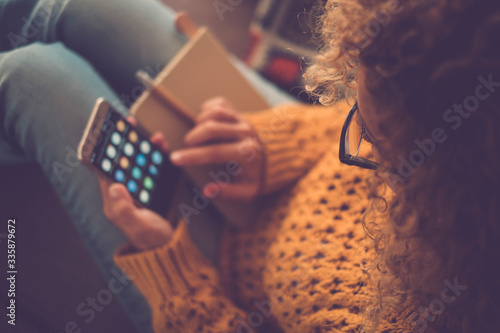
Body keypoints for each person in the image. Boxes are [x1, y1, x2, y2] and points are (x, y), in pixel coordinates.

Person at [101, 0, 500, 333]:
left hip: (208, 270)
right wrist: (269, 147)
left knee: (43, 76)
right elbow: (357, 120)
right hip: (284, 164)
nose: (358, 133)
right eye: (356, 106)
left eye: (375, 144)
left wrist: (170, 271)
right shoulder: (451, 92)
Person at [0, 0, 294, 332]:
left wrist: (169, 266)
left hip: (242, 284)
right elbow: (351, 123)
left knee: (31, 76)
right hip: (326, 153)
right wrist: (281, 148)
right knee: (81, 7)